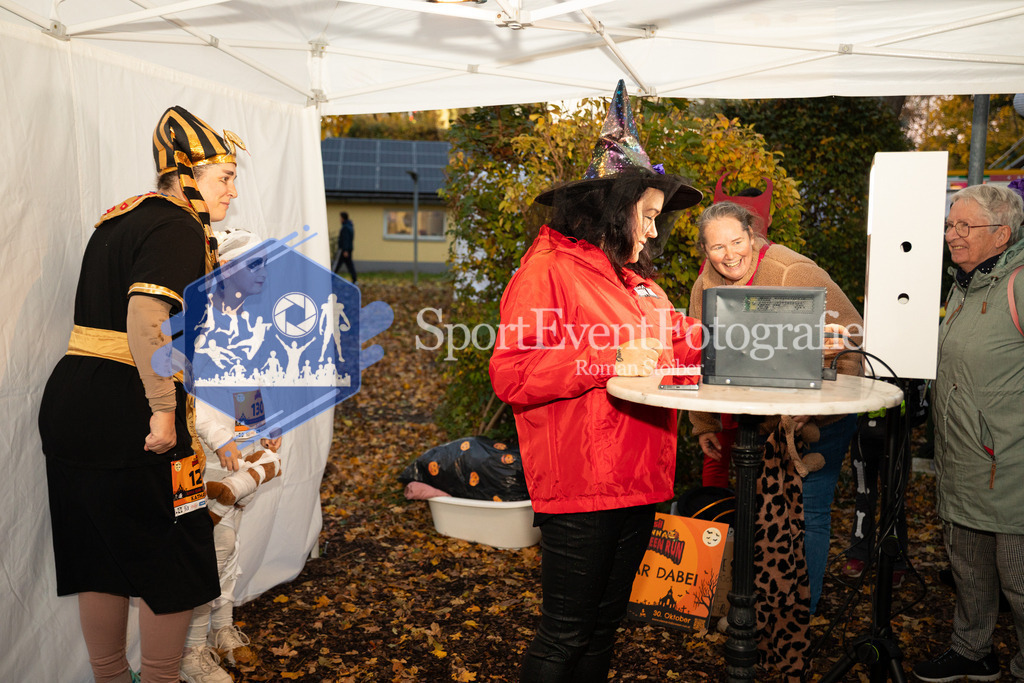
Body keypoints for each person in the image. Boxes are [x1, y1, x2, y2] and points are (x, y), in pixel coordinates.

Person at [489, 80, 704, 681]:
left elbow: (677, 346)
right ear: (617, 208)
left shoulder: (636, 284)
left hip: (643, 479)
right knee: (564, 636)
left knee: (605, 630)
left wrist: (771, 341)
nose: (655, 232)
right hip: (584, 482)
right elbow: (513, 371)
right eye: (650, 216)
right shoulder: (550, 270)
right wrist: (607, 357)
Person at [38, 106, 244, 683]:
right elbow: (146, 319)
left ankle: (110, 678)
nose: (231, 192)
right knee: (175, 553)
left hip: (75, 401)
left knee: (98, 558)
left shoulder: (120, 219)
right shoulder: (177, 225)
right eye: (223, 178)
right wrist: (162, 412)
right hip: (132, 405)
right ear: (186, 178)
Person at [688, 200, 864, 616]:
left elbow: (855, 331)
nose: (729, 255)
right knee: (765, 512)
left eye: (737, 241)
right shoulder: (705, 285)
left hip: (822, 418)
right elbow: (700, 353)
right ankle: (763, 610)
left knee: (809, 510)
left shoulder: (792, 271)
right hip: (764, 420)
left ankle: (800, 614)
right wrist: (703, 422)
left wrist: (831, 353)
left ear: (752, 234)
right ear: (704, 250)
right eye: (717, 247)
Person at [913, 183, 1024, 683]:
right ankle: (971, 650)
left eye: (964, 226)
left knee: (1018, 580)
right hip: (960, 461)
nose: (950, 236)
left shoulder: (1017, 284)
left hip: (1012, 469)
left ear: (1002, 235)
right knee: (970, 571)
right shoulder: (964, 284)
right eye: (948, 225)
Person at [181, 229, 284, 683]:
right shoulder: (195, 317)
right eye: (255, 264)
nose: (265, 273)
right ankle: (190, 652)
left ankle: (221, 629)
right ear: (224, 267)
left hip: (235, 451)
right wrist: (220, 437)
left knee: (231, 541)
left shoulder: (244, 316)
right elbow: (184, 389)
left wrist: (262, 423)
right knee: (208, 544)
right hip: (200, 450)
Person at [842, 380, 928, 587]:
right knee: (864, 496)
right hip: (863, 437)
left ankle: (895, 560)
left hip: (895, 438)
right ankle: (860, 552)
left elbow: (921, 408)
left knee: (894, 499)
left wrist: (906, 409)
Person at [332, 211, 357, 283]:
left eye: (340, 218)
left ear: (343, 218)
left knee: (337, 264)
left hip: (344, 249)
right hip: (348, 249)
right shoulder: (350, 226)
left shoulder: (345, 227)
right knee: (349, 265)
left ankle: (331, 278)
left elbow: (346, 239)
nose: (339, 219)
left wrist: (345, 250)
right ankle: (354, 279)